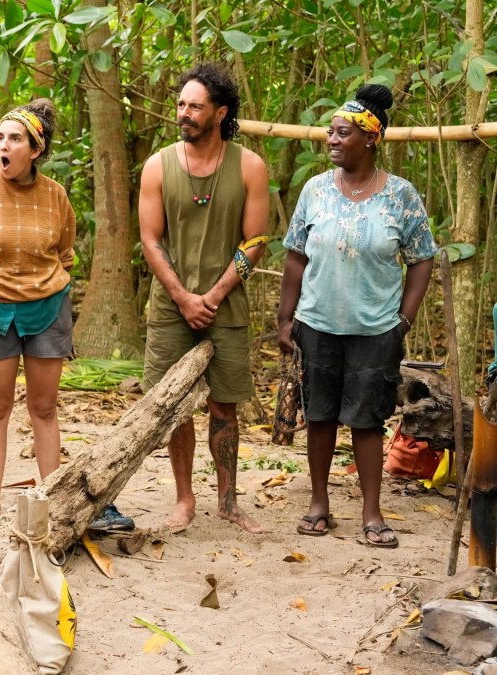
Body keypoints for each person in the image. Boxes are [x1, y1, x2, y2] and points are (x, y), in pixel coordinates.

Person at [277, 84, 435, 547]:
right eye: (330, 132)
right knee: (320, 415)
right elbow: (295, 256)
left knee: (367, 420)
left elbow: (422, 258)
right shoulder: (315, 190)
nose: (331, 139)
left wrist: (402, 321)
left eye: (342, 133)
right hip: (317, 323)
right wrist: (286, 319)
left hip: (376, 329)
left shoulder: (401, 196)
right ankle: (319, 504)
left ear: (370, 139)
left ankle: (371, 512)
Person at [137, 62, 269, 534]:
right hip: (171, 307)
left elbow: (256, 242)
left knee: (225, 405)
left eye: (195, 106)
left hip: (226, 304)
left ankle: (229, 500)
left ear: (220, 113)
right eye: (181, 104)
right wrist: (182, 296)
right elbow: (150, 240)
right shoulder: (158, 165)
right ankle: (184, 498)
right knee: (173, 404)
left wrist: (211, 295)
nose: (184, 113)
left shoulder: (249, 165)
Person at [0, 99, 76, 531]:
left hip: (47, 307)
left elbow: (65, 253)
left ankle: (50, 504)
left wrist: (41, 284)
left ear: (35, 150)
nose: (3, 146)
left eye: (15, 139)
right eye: (0, 138)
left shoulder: (56, 196)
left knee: (44, 408)